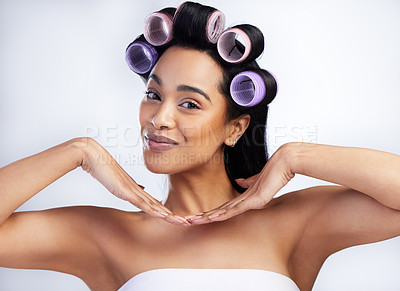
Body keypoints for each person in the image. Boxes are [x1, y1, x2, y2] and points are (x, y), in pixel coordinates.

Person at [1, 1, 400, 290]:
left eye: (189, 103)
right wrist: (79, 151)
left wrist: (297, 156)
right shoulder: (105, 234)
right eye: (154, 95)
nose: (159, 118)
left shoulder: (294, 223)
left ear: (235, 127)